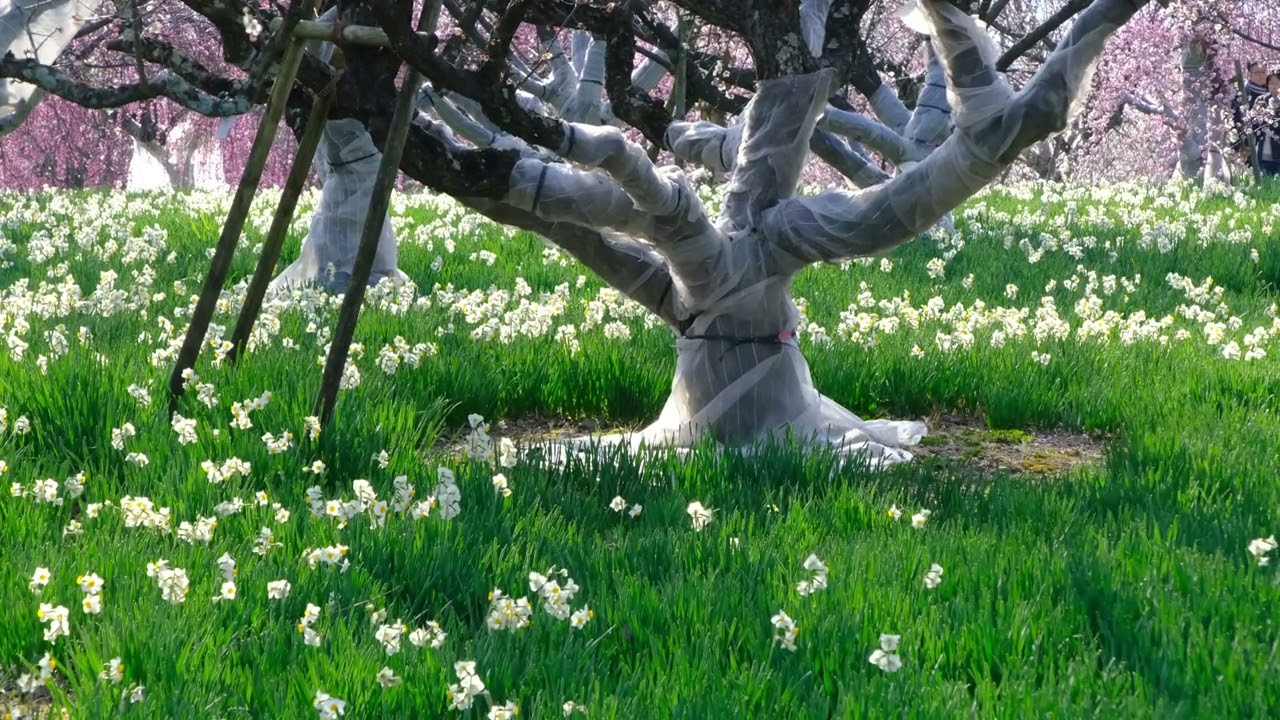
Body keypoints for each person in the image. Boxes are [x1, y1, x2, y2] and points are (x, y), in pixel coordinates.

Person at [1258, 71, 1280, 177]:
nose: (1273, 86)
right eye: (1270, 83)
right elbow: (1254, 124)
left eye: (1276, 82)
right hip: (1264, 150)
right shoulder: (1261, 100)